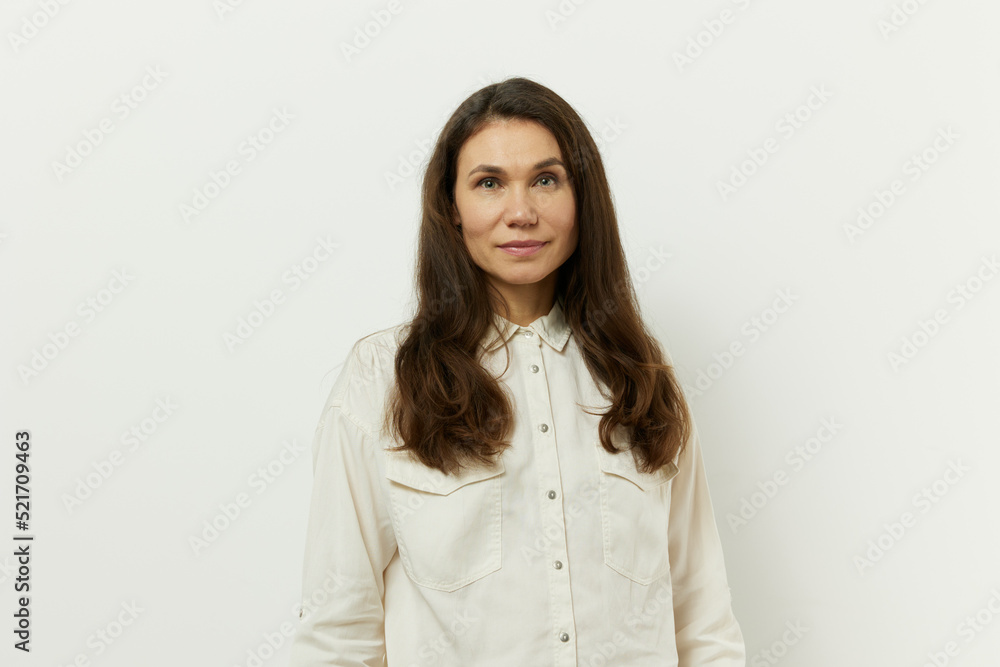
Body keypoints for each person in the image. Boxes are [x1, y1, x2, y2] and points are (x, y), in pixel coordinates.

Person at [288, 76, 746, 666]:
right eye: (488, 184)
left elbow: (702, 618)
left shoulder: (642, 378)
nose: (521, 212)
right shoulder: (383, 380)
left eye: (546, 180)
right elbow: (337, 630)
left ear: (583, 200)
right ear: (451, 209)